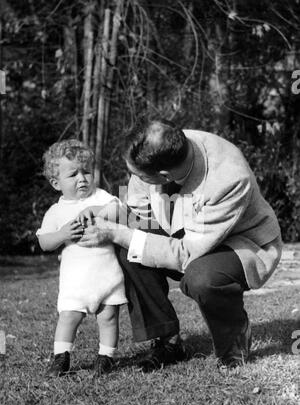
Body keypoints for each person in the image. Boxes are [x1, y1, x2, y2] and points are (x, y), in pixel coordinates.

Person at [78, 118, 283, 371]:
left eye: (138, 175)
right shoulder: (162, 150)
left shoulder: (229, 178)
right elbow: (134, 208)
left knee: (201, 278)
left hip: (240, 242)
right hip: (182, 229)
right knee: (128, 248)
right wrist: (105, 214)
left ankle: (234, 342)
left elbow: (187, 253)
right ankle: (168, 341)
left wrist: (118, 233)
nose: (134, 179)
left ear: (163, 176)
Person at [36, 139, 128, 377]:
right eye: (73, 174)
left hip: (107, 275)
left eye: (87, 172)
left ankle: (105, 357)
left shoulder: (100, 197)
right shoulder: (56, 211)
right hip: (75, 280)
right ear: (56, 183)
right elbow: (44, 242)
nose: (82, 178)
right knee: (69, 317)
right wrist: (62, 234)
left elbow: (121, 210)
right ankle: (61, 358)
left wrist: (99, 211)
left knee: (108, 316)